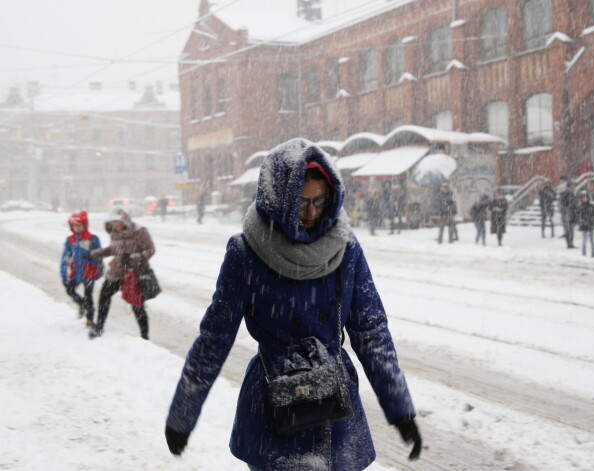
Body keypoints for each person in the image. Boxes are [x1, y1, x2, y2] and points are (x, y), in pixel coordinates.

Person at [164, 138, 421, 471]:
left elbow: (371, 332)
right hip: (275, 404)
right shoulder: (247, 252)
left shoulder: (346, 248)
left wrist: (400, 410)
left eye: (319, 200)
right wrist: (183, 414)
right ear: (278, 200)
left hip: (333, 404)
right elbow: (214, 338)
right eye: (300, 203)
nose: (312, 213)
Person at [84, 207, 155, 339]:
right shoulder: (114, 233)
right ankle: (99, 327)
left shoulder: (140, 231)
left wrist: (134, 258)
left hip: (134, 273)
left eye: (118, 224)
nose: (115, 227)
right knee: (104, 297)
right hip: (116, 272)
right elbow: (112, 250)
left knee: (137, 306)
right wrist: (93, 254)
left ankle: (144, 336)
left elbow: (150, 250)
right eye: (112, 225)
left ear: (125, 221)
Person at [60, 210, 104, 326]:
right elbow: (65, 257)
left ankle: (90, 318)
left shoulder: (93, 238)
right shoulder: (70, 240)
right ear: (71, 226)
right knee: (70, 290)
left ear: (85, 225)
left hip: (90, 272)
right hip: (76, 272)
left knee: (88, 295)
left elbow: (99, 255)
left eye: (80, 225)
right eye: (74, 226)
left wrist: (89, 260)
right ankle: (82, 304)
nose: (77, 228)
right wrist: (63, 274)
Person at [576, 190, 594, 257]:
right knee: (584, 240)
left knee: (592, 240)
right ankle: (583, 252)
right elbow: (578, 216)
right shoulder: (580, 207)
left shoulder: (592, 206)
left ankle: (593, 252)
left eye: (585, 197)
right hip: (584, 225)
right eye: (583, 198)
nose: (584, 199)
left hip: (591, 225)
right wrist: (581, 222)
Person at [560, 181, 578, 248]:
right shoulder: (568, 193)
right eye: (572, 185)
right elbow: (569, 203)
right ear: (569, 186)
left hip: (568, 213)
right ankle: (569, 243)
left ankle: (569, 243)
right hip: (568, 213)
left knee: (569, 229)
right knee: (570, 229)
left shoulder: (570, 193)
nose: (573, 186)